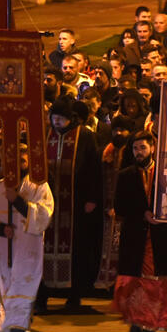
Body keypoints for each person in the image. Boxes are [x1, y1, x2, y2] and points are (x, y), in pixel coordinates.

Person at [0, 145, 54, 332]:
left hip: (28, 248)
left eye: (23, 160)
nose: (19, 164)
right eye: (15, 160)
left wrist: (18, 202)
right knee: (6, 287)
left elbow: (44, 214)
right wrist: (1, 230)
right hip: (5, 248)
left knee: (24, 286)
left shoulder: (39, 186)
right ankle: (16, 327)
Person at [113, 132, 167, 332]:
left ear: (152, 148)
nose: (139, 152)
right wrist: (143, 214)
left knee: (155, 286)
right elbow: (120, 207)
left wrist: (163, 214)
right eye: (135, 149)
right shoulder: (125, 175)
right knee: (134, 286)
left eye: (143, 147)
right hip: (135, 239)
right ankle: (134, 329)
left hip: (159, 239)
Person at [40, 97, 103, 311]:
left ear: (70, 119)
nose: (56, 122)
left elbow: (95, 169)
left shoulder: (85, 136)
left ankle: (73, 296)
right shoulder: (44, 135)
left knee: (76, 249)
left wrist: (92, 198)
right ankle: (43, 296)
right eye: (54, 118)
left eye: (60, 119)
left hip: (76, 202)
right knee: (43, 248)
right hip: (47, 204)